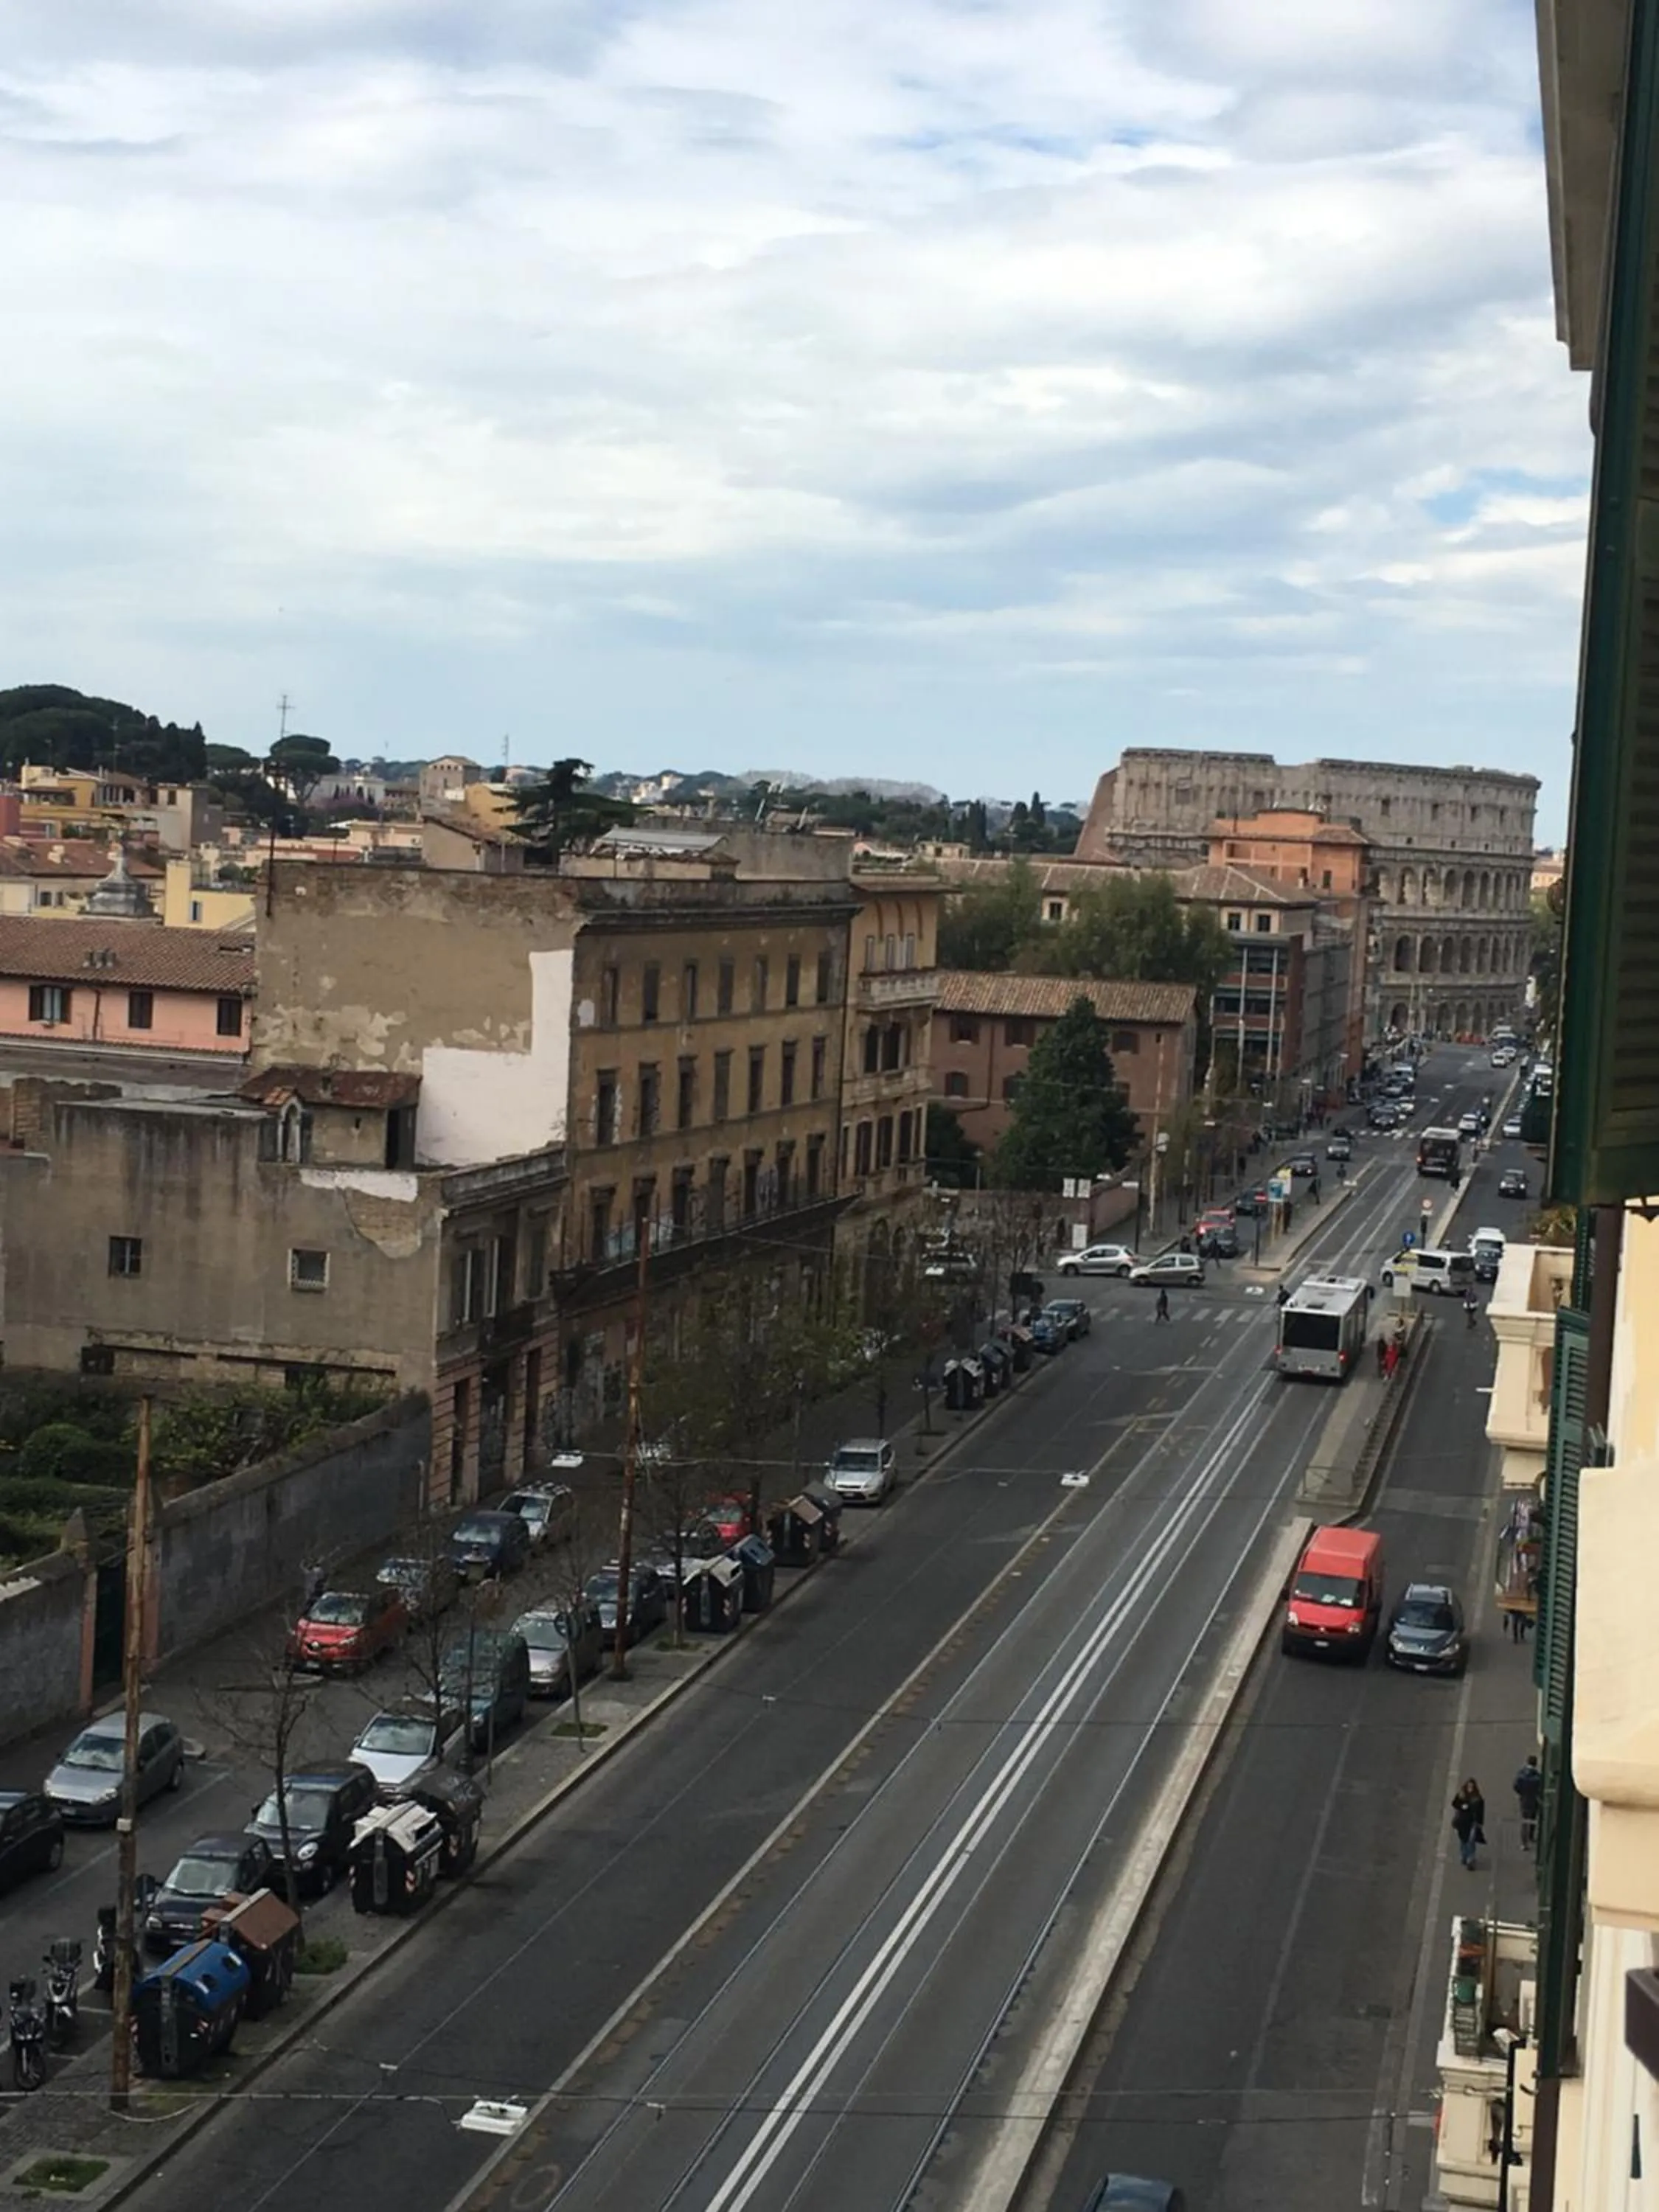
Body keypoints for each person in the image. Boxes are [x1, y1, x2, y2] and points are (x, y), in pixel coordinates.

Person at [1451, 1778, 1486, 1871]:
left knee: (1471, 1841)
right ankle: (1464, 1856)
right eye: (1469, 1786)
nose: (1470, 1788)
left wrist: (1480, 1823)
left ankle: (1471, 1859)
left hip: (1472, 1823)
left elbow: (1481, 1812)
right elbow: (1454, 1803)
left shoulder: (1478, 1799)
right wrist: (1462, 1806)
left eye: (1472, 1787)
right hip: (1462, 1822)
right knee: (1463, 1840)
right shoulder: (1462, 1796)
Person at [1514, 1756, 1543, 1853]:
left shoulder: (1521, 1773)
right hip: (1534, 1799)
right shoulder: (1537, 1776)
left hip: (1524, 1799)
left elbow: (1516, 1786)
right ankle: (1531, 1836)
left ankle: (1524, 1842)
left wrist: (1521, 1793)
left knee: (1525, 1820)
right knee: (1533, 1818)